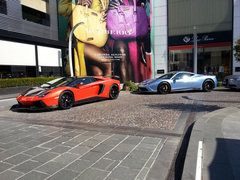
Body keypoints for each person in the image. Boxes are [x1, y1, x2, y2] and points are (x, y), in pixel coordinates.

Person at [58, 0, 112, 77]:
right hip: (81, 40)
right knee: (109, 64)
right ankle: (108, 89)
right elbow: (62, 10)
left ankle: (98, 89)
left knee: (98, 73)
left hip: (98, 40)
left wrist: (107, 14)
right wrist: (79, 5)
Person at [106, 0, 152, 82]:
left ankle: (133, 83)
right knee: (122, 49)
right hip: (115, 35)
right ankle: (126, 84)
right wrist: (108, 9)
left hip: (134, 35)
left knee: (134, 51)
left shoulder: (139, 2)